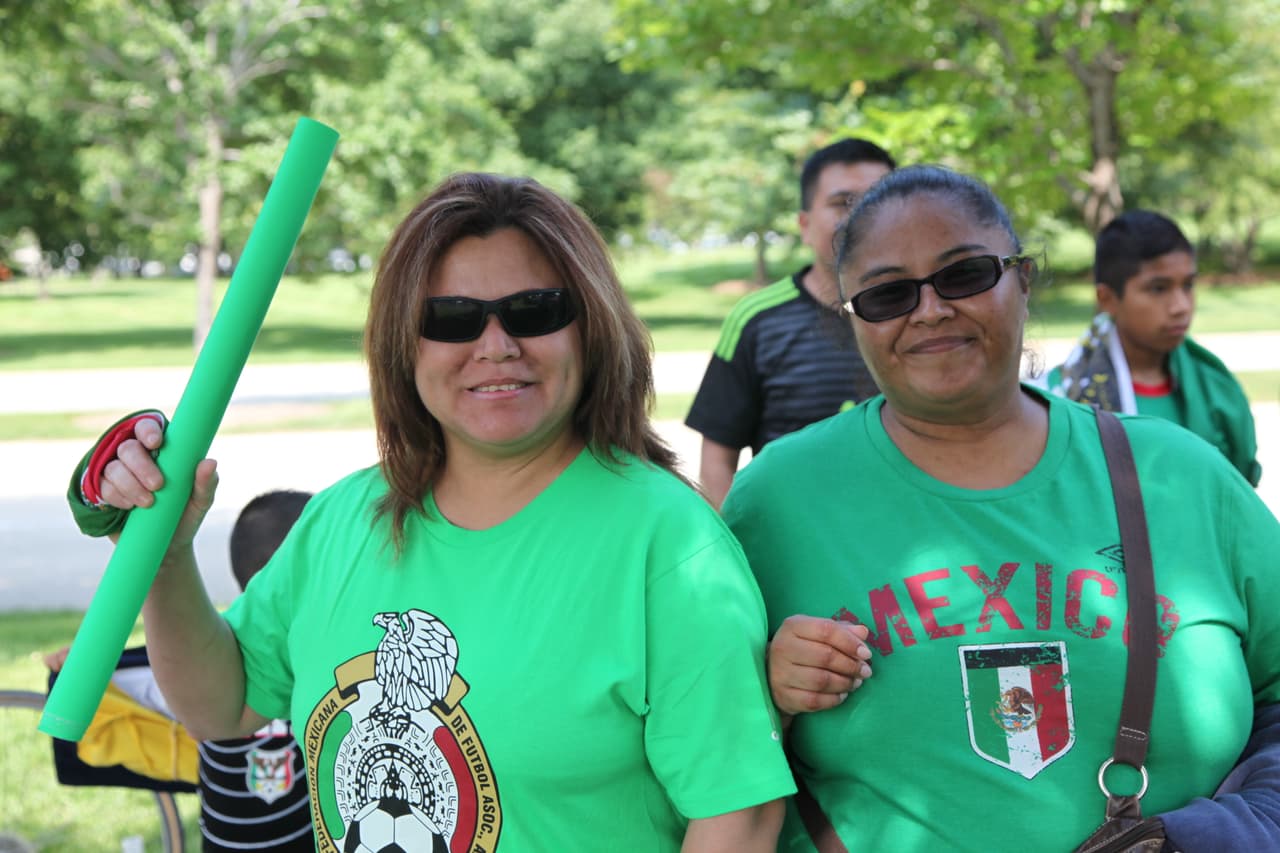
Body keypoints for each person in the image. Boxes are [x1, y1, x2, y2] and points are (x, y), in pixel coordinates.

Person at [79, 172, 795, 851]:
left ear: (590, 328)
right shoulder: (340, 521)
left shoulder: (668, 545)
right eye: (452, 319)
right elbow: (222, 706)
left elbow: (740, 815)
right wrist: (163, 559)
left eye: (534, 311)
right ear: (403, 343)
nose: (497, 346)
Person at [722, 165, 1280, 851]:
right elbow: (699, 735)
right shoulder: (778, 498)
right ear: (851, 317)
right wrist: (766, 692)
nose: (930, 310)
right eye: (888, 294)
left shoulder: (1181, 475)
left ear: (1024, 278)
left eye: (964, 275)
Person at [57, 487, 316, 851]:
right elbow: (163, 672)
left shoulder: (312, 651)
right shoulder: (218, 654)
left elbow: (155, 678)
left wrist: (83, 669)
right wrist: (82, 668)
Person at [685, 138, 895, 507]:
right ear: (804, 224)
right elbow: (718, 459)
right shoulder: (757, 319)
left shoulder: (928, 310)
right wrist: (735, 537)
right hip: (787, 535)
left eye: (878, 200)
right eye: (843, 202)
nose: (862, 215)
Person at [1042, 209, 1261, 485]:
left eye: (1188, 285)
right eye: (1159, 288)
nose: (1181, 306)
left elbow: (1241, 492)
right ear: (1107, 299)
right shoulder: (1060, 399)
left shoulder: (1217, 389)